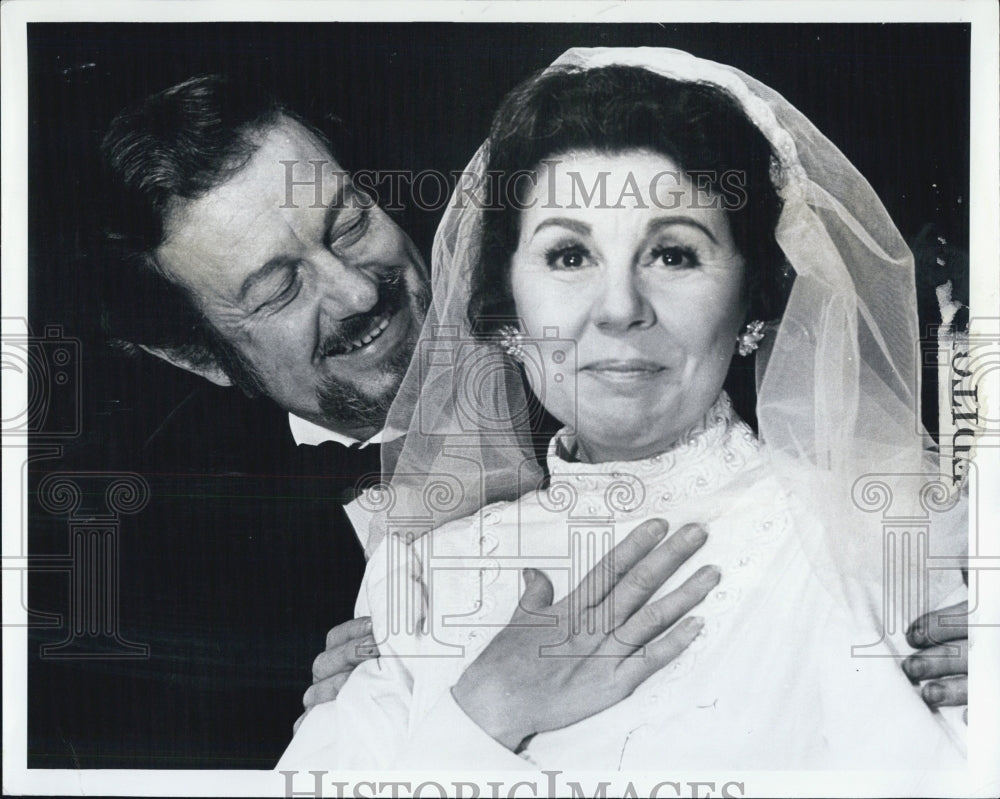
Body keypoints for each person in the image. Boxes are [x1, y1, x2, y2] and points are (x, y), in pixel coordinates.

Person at [279, 48, 969, 773]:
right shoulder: (418, 575)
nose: (619, 309)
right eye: (569, 257)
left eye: (673, 254)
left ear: (754, 305)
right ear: (507, 308)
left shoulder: (872, 538)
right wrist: (483, 710)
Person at [29, 74, 429, 767]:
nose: (360, 291)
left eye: (351, 223)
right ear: (196, 356)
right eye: (279, 290)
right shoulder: (165, 596)